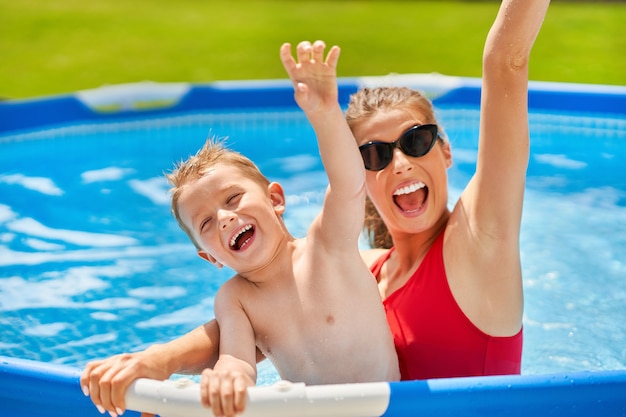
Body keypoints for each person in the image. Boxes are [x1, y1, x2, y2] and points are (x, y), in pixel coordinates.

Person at [81, 0, 550, 412]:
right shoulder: (369, 271)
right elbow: (264, 311)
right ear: (360, 174)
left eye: (417, 141)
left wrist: (323, 110)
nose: (401, 163)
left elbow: (505, 62)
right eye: (374, 155)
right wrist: (156, 361)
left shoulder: (479, 239)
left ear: (446, 152)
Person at [83, 41, 399, 417]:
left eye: (233, 199)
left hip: (389, 410)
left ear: (276, 199)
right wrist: (226, 378)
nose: (224, 217)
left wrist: (324, 112)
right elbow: (238, 361)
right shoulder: (236, 299)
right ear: (208, 256)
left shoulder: (327, 246)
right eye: (205, 222)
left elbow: (349, 183)